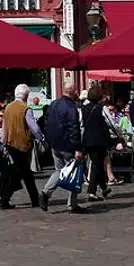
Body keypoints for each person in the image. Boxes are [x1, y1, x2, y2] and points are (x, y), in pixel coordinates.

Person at [39, 83, 84, 214]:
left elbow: (46, 123)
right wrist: (77, 148)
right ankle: (72, 203)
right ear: (72, 92)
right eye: (76, 91)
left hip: (55, 144)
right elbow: (73, 128)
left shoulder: (54, 104)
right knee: (75, 172)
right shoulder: (71, 107)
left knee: (59, 171)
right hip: (67, 145)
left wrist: (49, 140)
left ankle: (46, 192)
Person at [0, 84, 42, 210]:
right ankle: (4, 199)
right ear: (27, 96)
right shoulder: (26, 109)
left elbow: (5, 128)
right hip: (23, 145)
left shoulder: (8, 108)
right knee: (19, 174)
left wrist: (3, 142)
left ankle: (35, 199)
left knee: (27, 174)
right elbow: (34, 127)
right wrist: (42, 138)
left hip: (11, 144)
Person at [81, 85, 120, 202]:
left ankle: (104, 188)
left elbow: (81, 125)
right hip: (100, 140)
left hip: (88, 140)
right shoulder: (102, 108)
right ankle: (92, 192)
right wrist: (119, 135)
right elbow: (111, 123)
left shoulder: (83, 108)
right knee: (96, 164)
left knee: (96, 162)